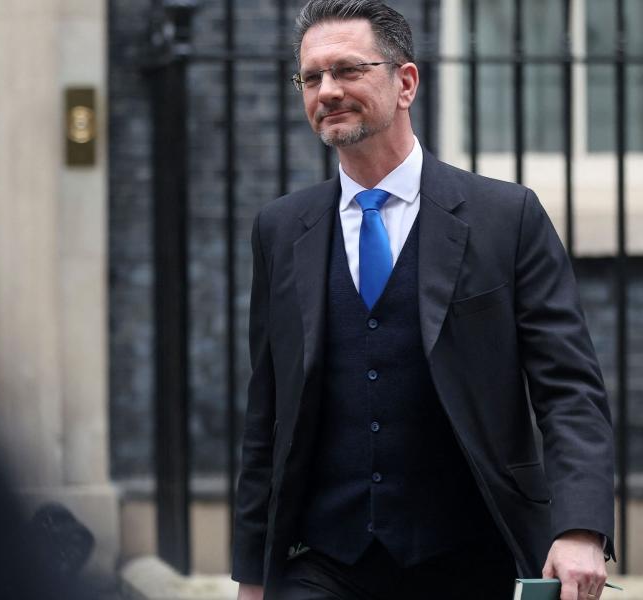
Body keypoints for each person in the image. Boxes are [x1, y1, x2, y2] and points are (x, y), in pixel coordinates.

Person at [231, 1, 615, 599]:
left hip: (471, 558)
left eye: (348, 70)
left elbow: (568, 389)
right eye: (311, 77)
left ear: (405, 81)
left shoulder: (505, 218)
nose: (326, 91)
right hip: (324, 562)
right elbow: (267, 413)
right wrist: (252, 576)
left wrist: (581, 526)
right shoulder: (281, 230)